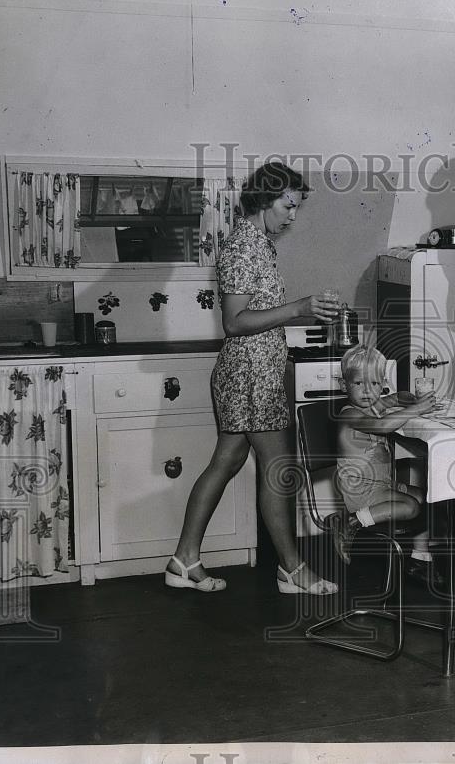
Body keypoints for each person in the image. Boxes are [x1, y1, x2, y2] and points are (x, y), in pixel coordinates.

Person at [165, 162, 340, 595]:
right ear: (264, 199)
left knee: (225, 463)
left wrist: (298, 315)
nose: (292, 215)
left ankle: (184, 561)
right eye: (287, 205)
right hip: (250, 375)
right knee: (279, 468)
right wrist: (299, 308)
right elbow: (235, 321)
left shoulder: (257, 243)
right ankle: (293, 569)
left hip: (250, 371)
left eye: (296, 207)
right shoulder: (246, 246)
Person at [327, 344, 442, 586]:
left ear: (382, 384)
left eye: (375, 384)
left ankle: (419, 558)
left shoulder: (372, 406)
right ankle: (351, 522)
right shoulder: (350, 414)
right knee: (411, 507)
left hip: (381, 484)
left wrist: (409, 398)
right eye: (359, 384)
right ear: (343, 386)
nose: (368, 391)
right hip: (361, 491)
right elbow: (381, 427)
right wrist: (416, 409)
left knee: (429, 498)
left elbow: (395, 397)